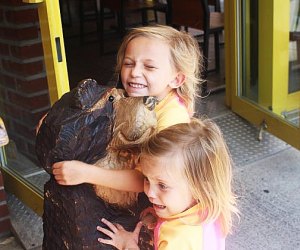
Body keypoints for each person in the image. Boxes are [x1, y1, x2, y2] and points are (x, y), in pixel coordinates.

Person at [52, 24, 202, 193]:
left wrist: (86, 174)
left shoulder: (173, 120)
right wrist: (55, 118)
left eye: (149, 67)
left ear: (176, 79)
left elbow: (148, 181)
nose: (135, 72)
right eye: (129, 63)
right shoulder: (132, 97)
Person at [96, 119, 239, 250]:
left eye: (162, 185)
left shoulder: (175, 240)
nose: (149, 193)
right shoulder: (211, 205)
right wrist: (160, 218)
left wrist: (127, 244)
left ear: (199, 188)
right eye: (146, 178)